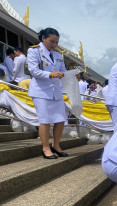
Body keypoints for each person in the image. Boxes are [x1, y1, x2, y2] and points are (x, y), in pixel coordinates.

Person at [27, 27, 68, 159]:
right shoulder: (34, 51)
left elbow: (63, 71)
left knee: (60, 119)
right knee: (44, 120)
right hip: (41, 91)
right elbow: (33, 70)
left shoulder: (57, 55)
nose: (54, 45)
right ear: (43, 38)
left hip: (56, 91)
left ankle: (56, 145)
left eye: (56, 42)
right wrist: (51, 74)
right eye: (52, 41)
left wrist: (68, 74)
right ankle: (45, 148)